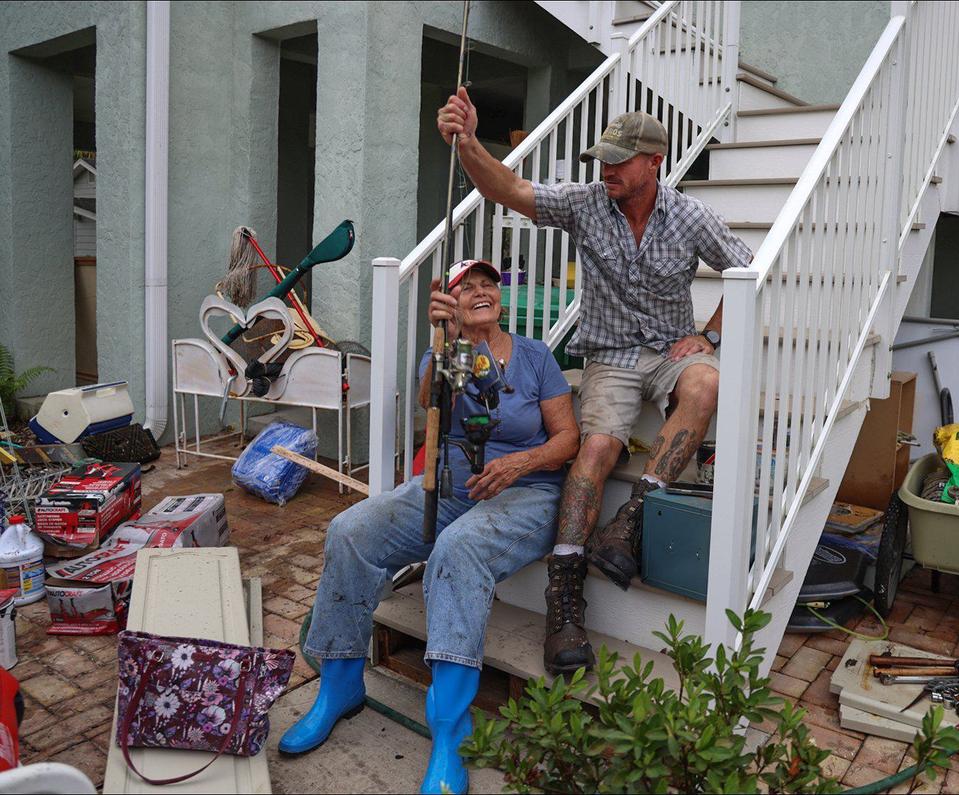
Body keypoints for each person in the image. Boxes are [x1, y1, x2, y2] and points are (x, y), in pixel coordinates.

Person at [437, 90, 753, 675]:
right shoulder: (585, 204)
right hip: (608, 356)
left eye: (618, 159)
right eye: (602, 158)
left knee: (705, 383)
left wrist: (709, 336)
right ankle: (564, 599)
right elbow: (507, 189)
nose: (605, 169)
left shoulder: (688, 215)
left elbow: (747, 270)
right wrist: (470, 143)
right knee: (597, 447)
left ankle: (633, 517)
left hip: (669, 353)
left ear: (653, 162)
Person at [279, 258, 579, 795]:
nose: (482, 291)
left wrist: (518, 464)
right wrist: (442, 339)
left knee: (458, 551)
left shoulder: (535, 355)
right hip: (451, 490)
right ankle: (339, 685)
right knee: (351, 529)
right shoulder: (447, 352)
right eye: (468, 288)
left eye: (489, 284)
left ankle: (449, 732)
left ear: (502, 298)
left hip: (527, 494)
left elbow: (567, 439)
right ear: (453, 306)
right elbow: (425, 400)